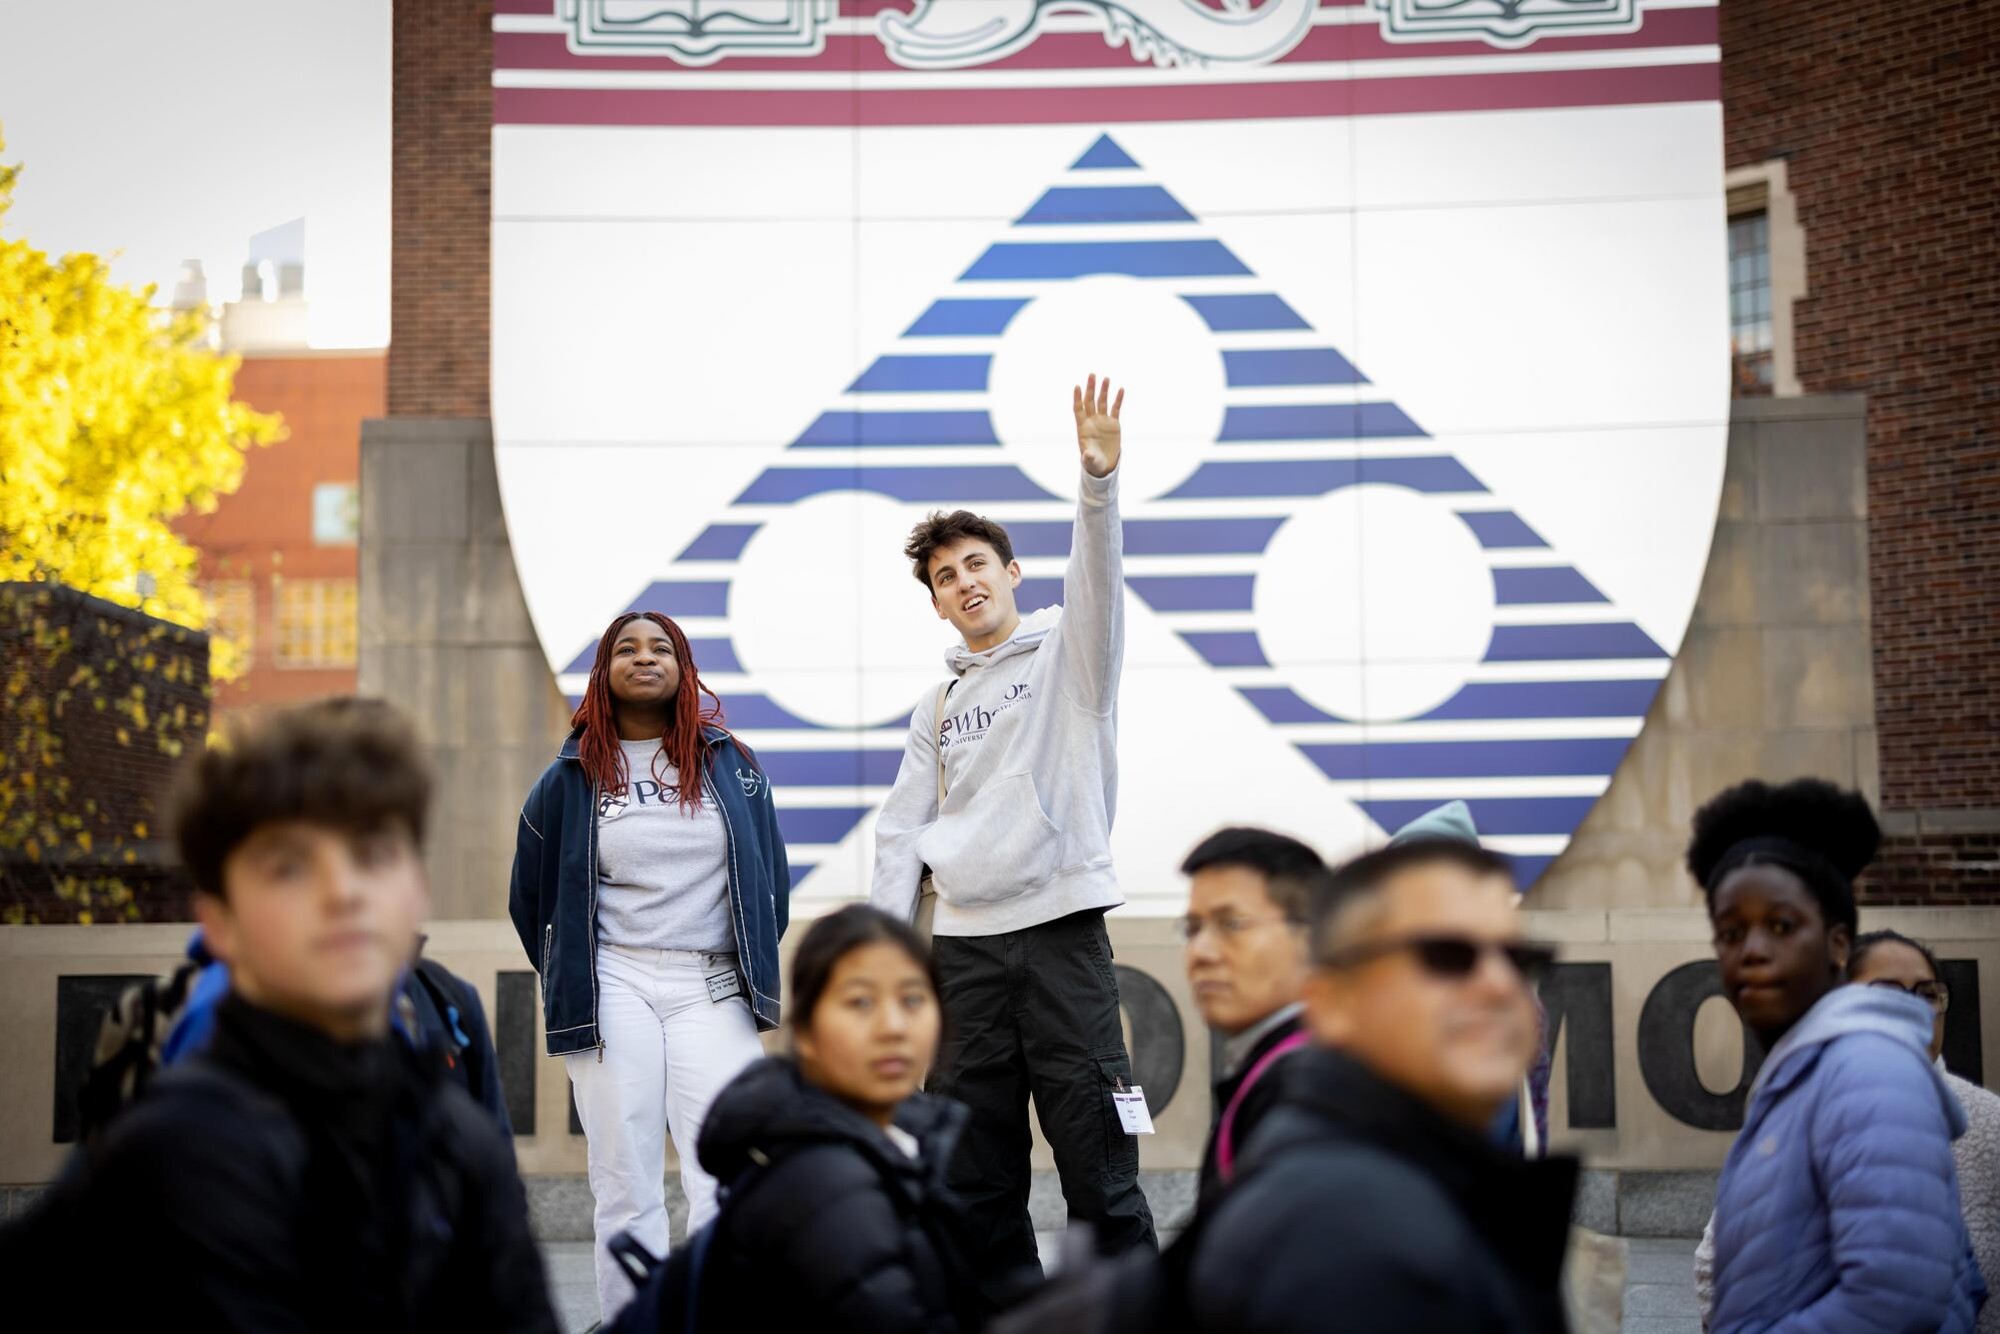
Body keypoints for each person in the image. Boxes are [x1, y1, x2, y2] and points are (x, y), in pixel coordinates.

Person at [4, 698, 556, 1331]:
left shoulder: (461, 1139)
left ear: (418, 891)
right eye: (289, 866)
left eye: (372, 854)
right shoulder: (180, 1153)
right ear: (219, 923)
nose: (343, 892)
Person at [870, 373, 1156, 1295]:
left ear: (1010, 572)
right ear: (939, 604)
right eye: (946, 578)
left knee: (1099, 1164)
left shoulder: (1075, 654)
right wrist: (883, 958)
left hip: (1065, 935)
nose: (964, 583)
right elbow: (900, 832)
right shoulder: (938, 702)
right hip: (961, 957)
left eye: (976, 565)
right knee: (971, 1177)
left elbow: (1099, 576)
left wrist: (1097, 482)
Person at [508, 610, 790, 1322]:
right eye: (625, 650)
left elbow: (769, 885)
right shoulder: (569, 777)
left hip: (712, 983)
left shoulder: (731, 764)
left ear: (683, 668)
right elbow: (531, 898)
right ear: (603, 673)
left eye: (660, 647)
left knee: (727, 1168)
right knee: (624, 1172)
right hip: (616, 981)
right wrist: (575, 971)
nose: (644, 657)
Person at [1183, 837, 1574, 1333]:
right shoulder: (1348, 1228)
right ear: (1332, 1000)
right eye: (1445, 956)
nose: (1499, 985)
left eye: (1519, 958)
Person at [1692, 778, 1984, 1333]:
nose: (1751, 951)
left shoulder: (1869, 1073)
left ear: (1838, 945)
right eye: (1730, 932)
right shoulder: (1804, 1075)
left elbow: (1894, 1303)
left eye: (1781, 925)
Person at [681, 904, 986, 1333]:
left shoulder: (892, 1139)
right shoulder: (824, 1183)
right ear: (805, 1032)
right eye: (860, 1001)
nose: (894, 1026)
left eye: (913, 998)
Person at [1695, 925, 2000, 1332]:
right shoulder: (1793, 1114)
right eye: (1886, 994)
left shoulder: (1989, 1125)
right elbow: (1715, 1265)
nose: (1915, 1011)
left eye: (1928, 994)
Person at [1177, 826, 1323, 1206]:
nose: (1201, 952)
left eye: (1232, 925)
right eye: (1193, 929)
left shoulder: (1309, 1091)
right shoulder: (1283, 1067)